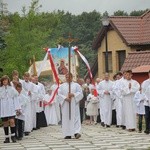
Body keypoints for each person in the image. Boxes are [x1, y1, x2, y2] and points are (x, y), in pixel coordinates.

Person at [58, 73, 83, 139]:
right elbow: (59, 94)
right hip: (66, 105)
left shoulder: (76, 85)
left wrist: (73, 94)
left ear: (72, 77)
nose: (67, 78)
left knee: (75, 118)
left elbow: (80, 94)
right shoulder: (62, 86)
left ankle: (76, 132)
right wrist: (65, 98)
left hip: (74, 104)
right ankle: (67, 133)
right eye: (66, 77)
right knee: (66, 118)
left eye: (69, 77)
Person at [0, 75, 21, 143]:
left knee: (12, 121)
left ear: (8, 81)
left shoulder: (12, 89)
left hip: (11, 108)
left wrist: (17, 108)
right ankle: (7, 138)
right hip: (3, 108)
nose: (4, 81)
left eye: (5, 80)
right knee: (5, 123)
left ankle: (13, 136)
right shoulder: (0, 89)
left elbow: (16, 98)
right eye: (3, 80)